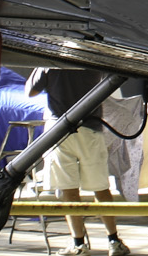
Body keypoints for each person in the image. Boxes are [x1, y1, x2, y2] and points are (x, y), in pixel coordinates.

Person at [24, 68, 129, 256]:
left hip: (59, 130)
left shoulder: (49, 65)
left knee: (68, 189)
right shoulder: (88, 63)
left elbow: (30, 91)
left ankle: (78, 244)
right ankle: (113, 241)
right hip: (90, 128)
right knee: (101, 187)